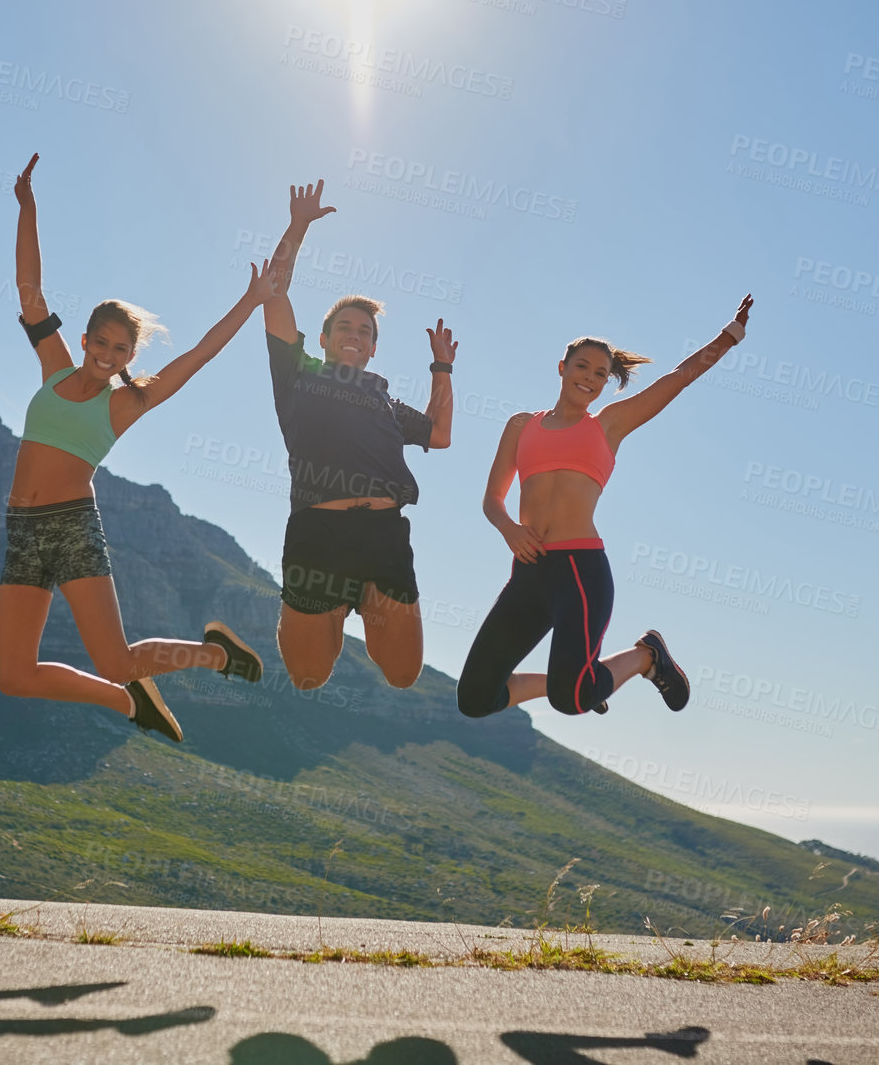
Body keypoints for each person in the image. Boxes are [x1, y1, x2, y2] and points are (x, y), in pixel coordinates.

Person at [0, 153, 267, 743]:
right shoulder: (54, 368)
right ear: (86, 337)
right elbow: (29, 289)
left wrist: (252, 300)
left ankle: (216, 655)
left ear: (129, 359)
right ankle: (128, 702)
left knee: (116, 657)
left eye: (122, 350)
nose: (109, 355)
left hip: (70, 525)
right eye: (102, 342)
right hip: (22, 526)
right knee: (14, 675)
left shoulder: (124, 404)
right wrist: (28, 208)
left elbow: (196, 357)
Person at [456, 297, 755, 721]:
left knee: (572, 700)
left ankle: (645, 656)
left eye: (601, 374)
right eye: (582, 367)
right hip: (528, 573)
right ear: (562, 367)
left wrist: (730, 335)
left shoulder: (607, 426)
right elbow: (492, 500)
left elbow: (678, 378)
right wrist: (509, 529)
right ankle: (575, 678)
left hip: (579, 570)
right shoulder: (521, 425)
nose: (590, 379)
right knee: (474, 698)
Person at [260, 180, 456, 692]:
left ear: (372, 348)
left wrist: (441, 368)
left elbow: (439, 435)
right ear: (323, 339)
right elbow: (274, 294)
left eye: (365, 331)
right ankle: (332, 607)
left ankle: (361, 603)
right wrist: (298, 225)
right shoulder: (299, 375)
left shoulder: (386, 401)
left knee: (402, 674)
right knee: (306, 676)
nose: (355, 333)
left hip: (384, 537)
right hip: (317, 537)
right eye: (344, 326)